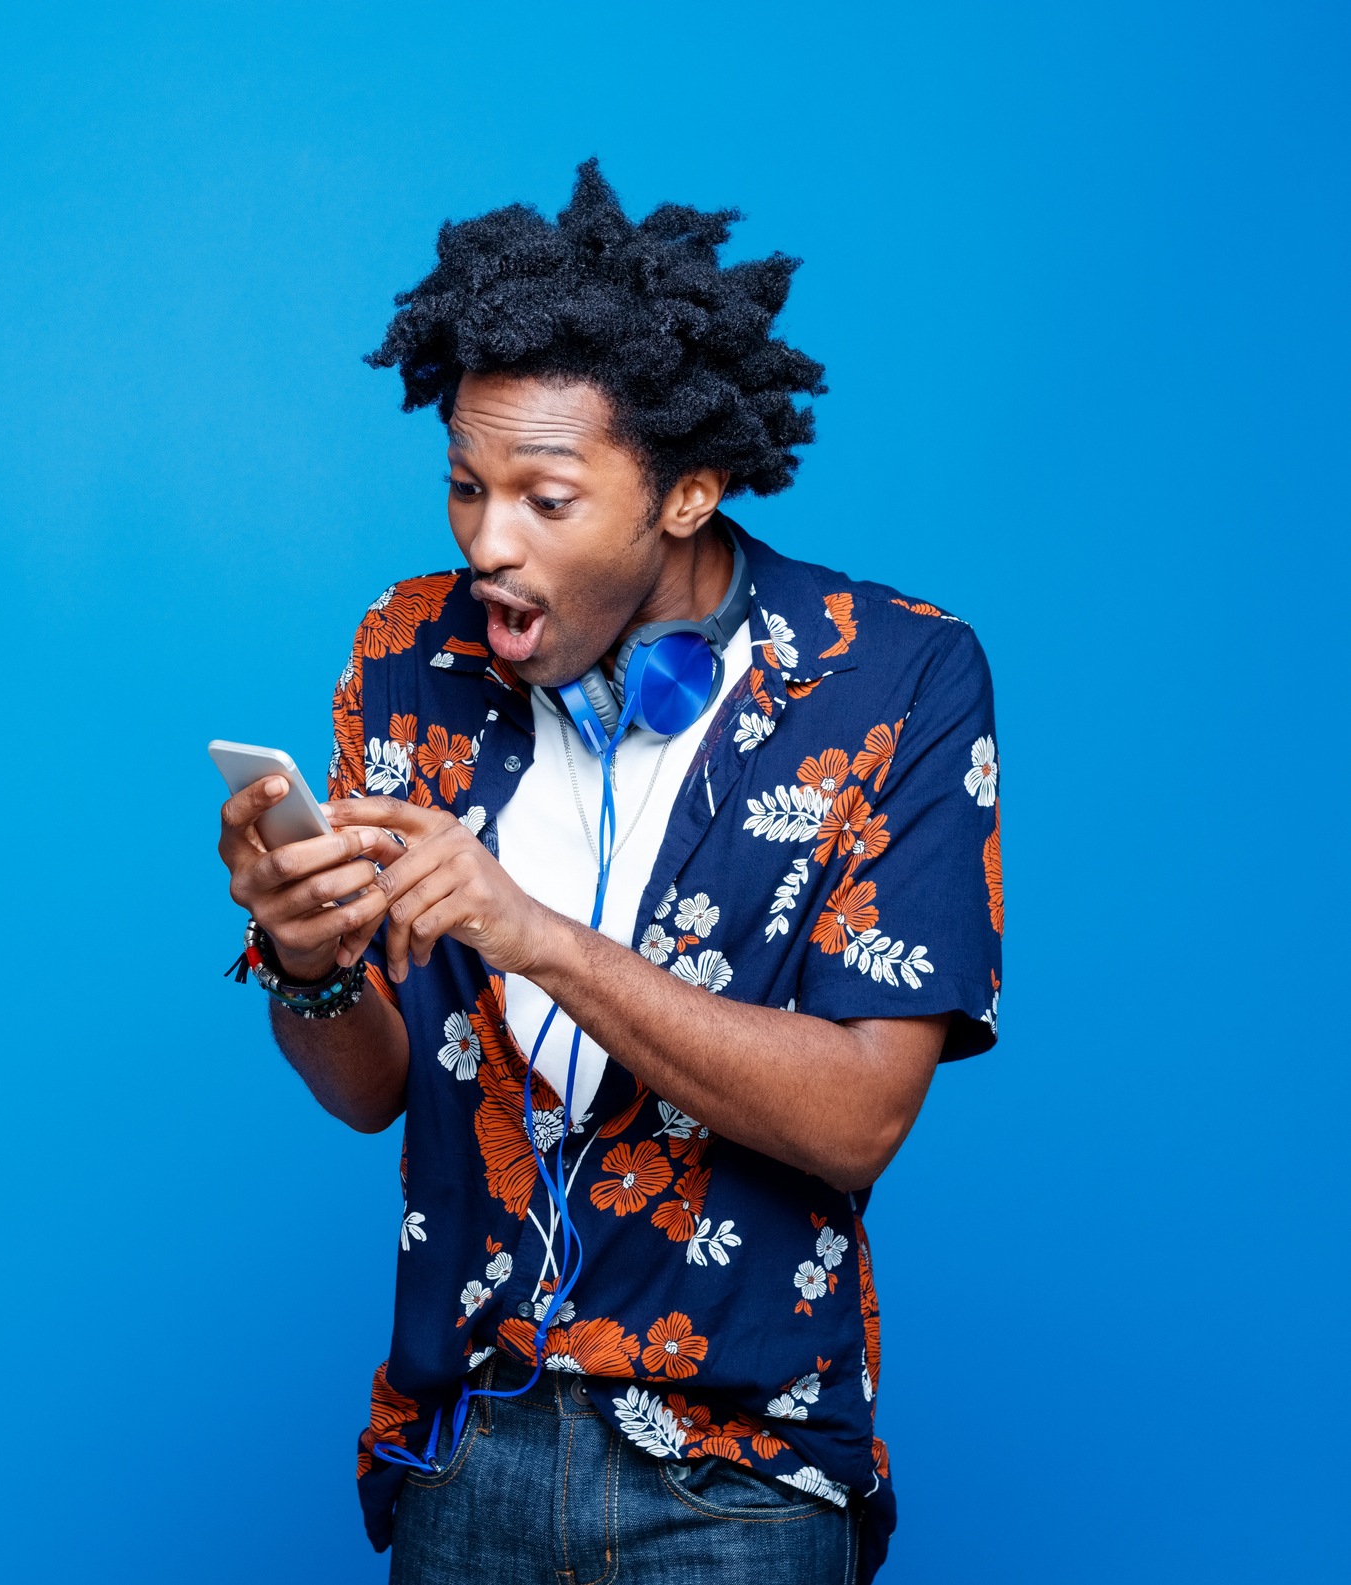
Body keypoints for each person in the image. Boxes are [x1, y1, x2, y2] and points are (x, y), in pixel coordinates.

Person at [215, 160, 1002, 1585]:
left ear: (689, 492)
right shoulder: (408, 654)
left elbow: (859, 1118)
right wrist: (306, 955)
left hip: (741, 1476)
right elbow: (369, 1087)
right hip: (465, 1444)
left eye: (546, 497)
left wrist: (535, 935)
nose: (488, 542)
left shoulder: (897, 679)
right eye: (466, 485)